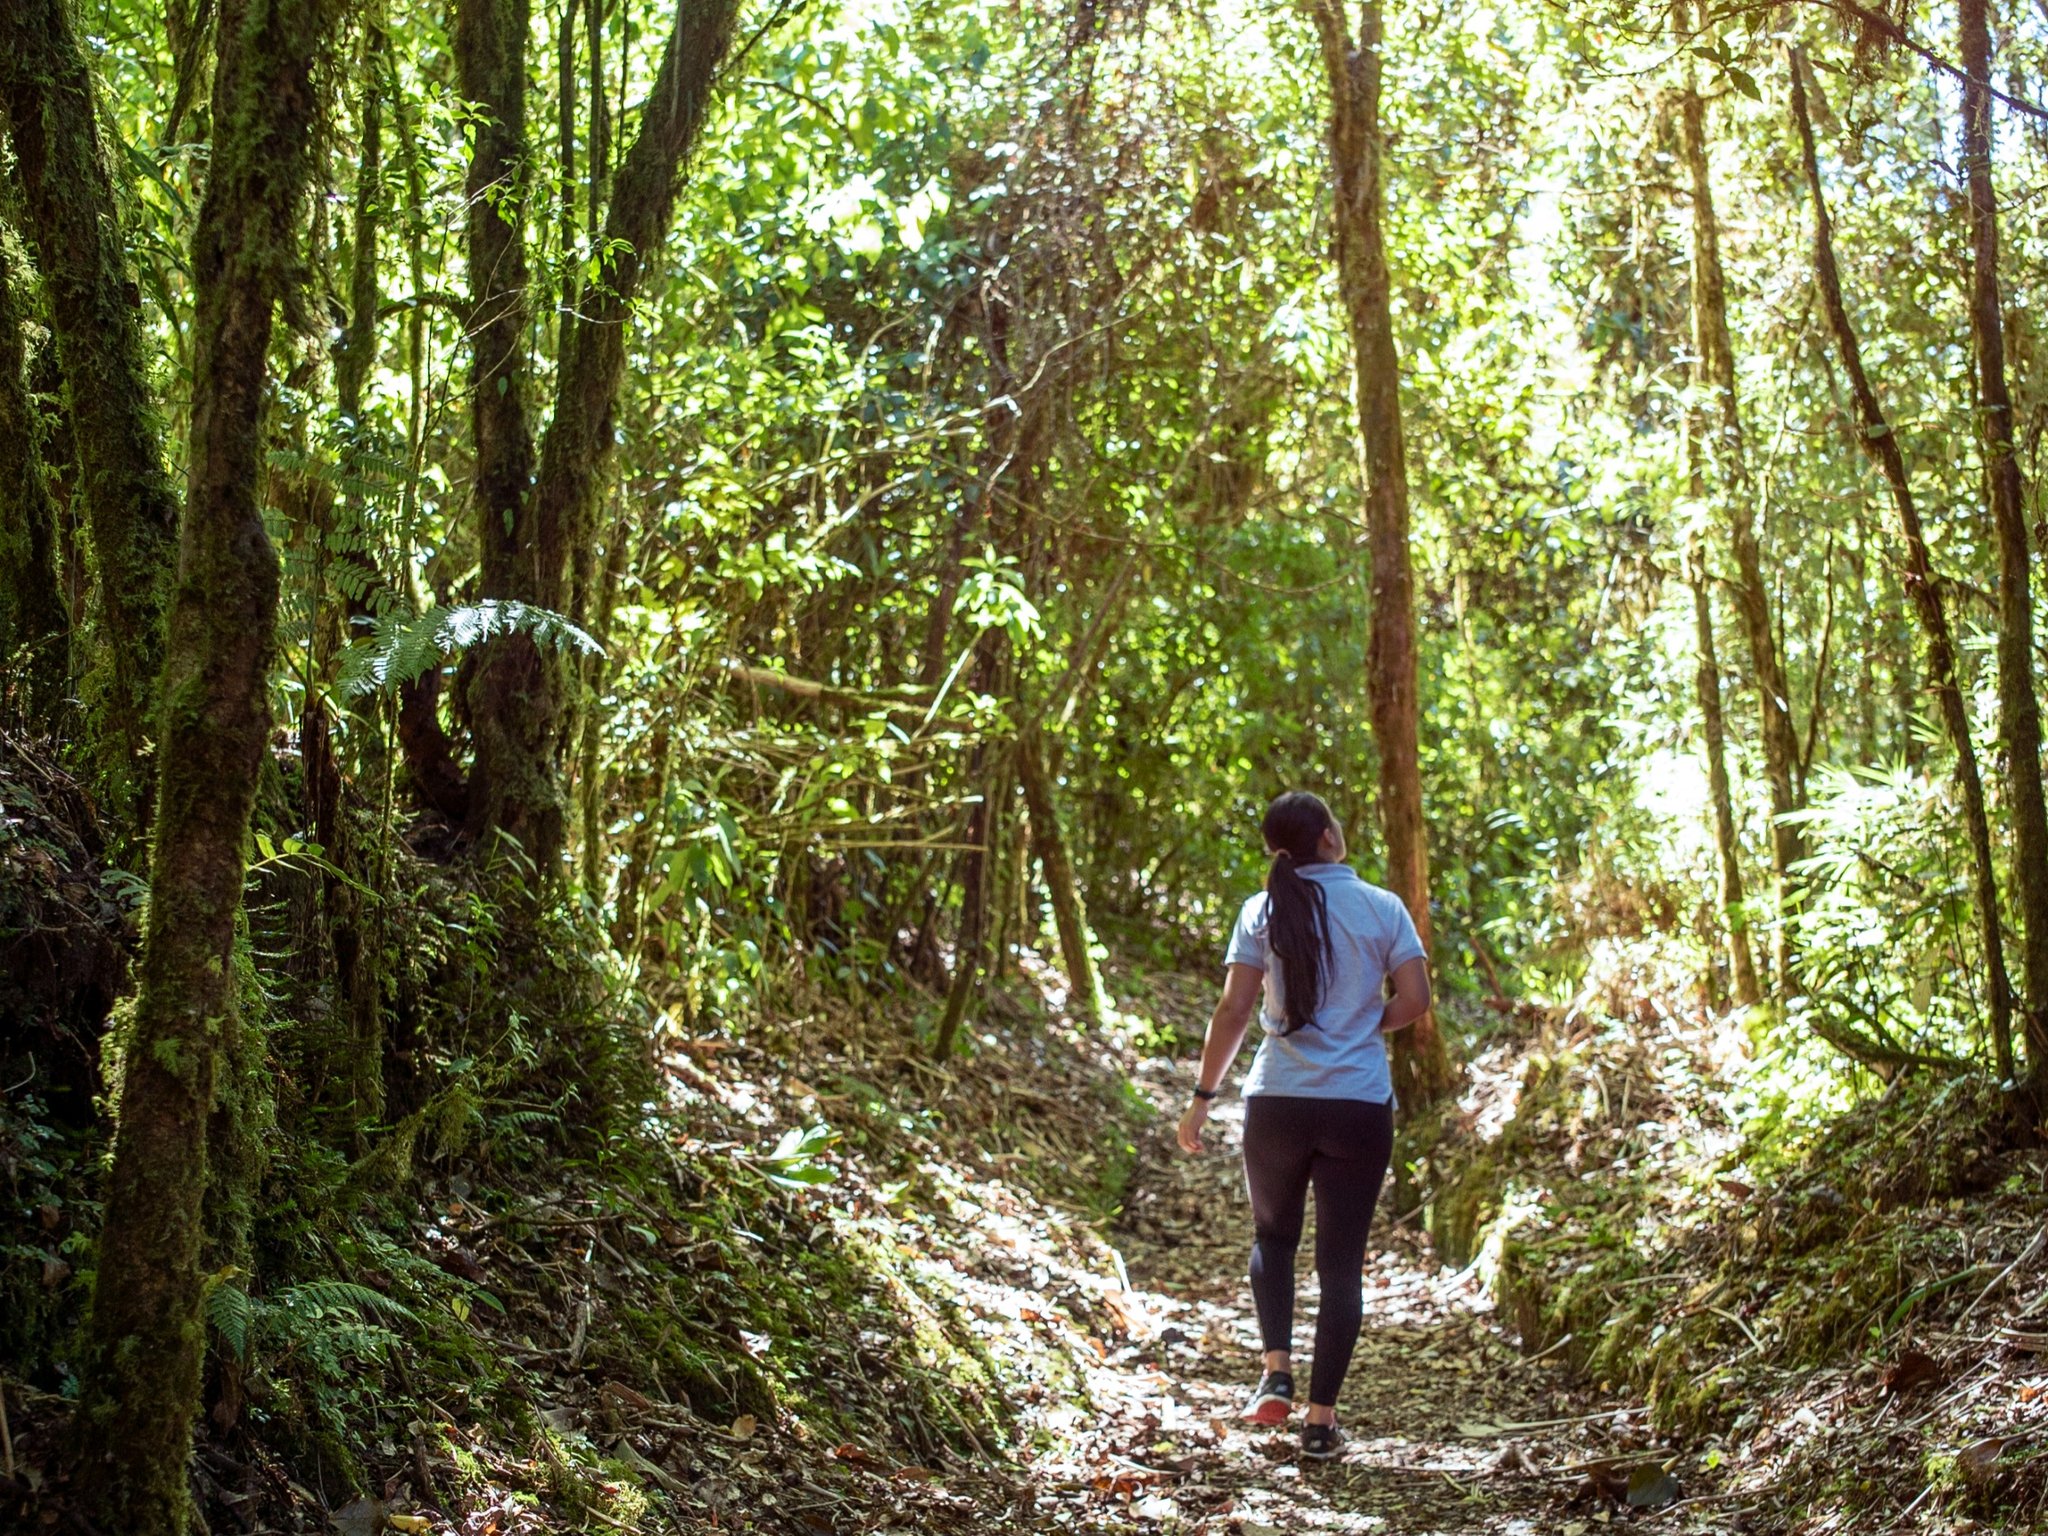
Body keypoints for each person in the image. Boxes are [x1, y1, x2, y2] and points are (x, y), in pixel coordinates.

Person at [1177, 790, 1433, 1460]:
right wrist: (1361, 1026)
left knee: (1273, 1236)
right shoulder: (1382, 908)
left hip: (1278, 1102)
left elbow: (1234, 1011)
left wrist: (1203, 1095)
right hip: (1358, 1106)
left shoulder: (1260, 911)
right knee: (1341, 1265)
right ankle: (1320, 1421)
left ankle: (1275, 1372)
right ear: (1326, 836)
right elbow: (1416, 999)